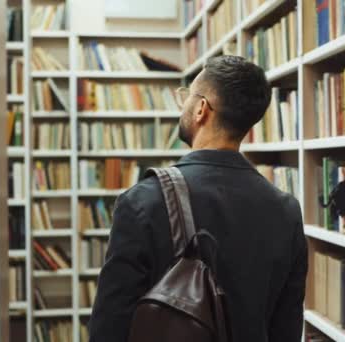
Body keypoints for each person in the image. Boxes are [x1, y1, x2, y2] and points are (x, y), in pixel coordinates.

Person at [89, 55, 308, 342]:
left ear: (201, 109)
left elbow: (109, 327)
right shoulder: (286, 211)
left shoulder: (142, 201)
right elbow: (286, 329)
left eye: (188, 95)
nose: (184, 104)